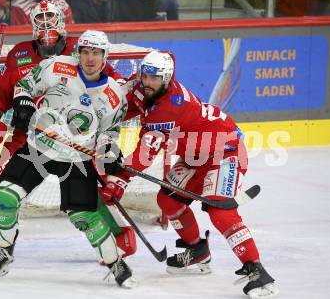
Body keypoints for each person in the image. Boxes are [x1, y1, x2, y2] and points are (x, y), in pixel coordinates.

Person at [0, 0, 136, 263]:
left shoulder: (80, 49)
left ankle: (116, 238)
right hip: (29, 136)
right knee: (3, 183)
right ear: (31, 25)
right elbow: (4, 90)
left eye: (51, 19)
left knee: (90, 186)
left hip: (73, 139)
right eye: (40, 20)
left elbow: (110, 83)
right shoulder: (20, 54)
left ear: (62, 22)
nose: (46, 25)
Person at [100, 51, 279, 298]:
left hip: (225, 152)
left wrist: (119, 179)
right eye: (145, 76)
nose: (148, 82)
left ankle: (256, 270)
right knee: (168, 200)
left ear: (167, 78)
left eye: (155, 78)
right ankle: (197, 250)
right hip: (195, 157)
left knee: (220, 211)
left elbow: (145, 153)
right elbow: (122, 97)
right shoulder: (146, 87)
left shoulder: (168, 108)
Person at [0, 29, 137, 288]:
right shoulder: (56, 66)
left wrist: (110, 151)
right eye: (85, 52)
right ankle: (4, 250)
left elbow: (108, 133)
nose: (90, 58)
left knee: (84, 218)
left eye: (96, 53)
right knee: (6, 196)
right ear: (78, 53)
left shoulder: (114, 96)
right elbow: (24, 86)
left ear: (104, 56)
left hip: (77, 158)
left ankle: (114, 262)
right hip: (37, 147)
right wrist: (23, 103)